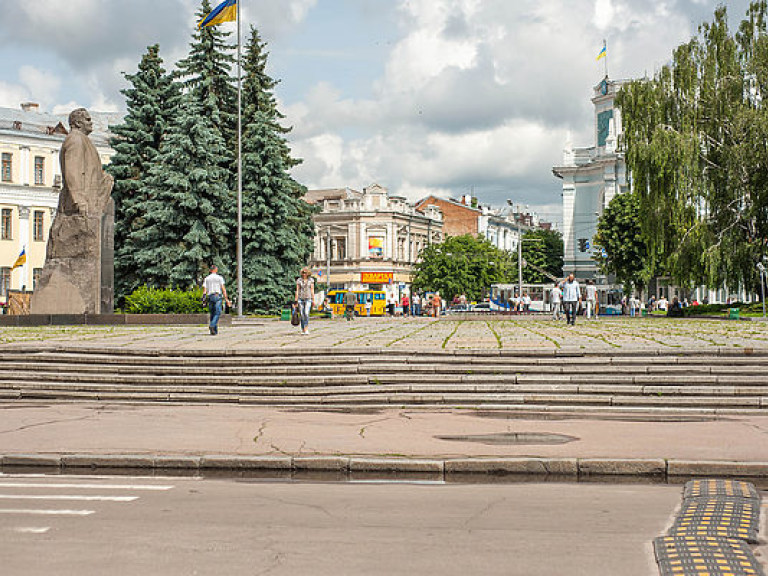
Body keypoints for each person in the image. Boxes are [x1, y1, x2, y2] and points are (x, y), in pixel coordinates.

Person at [202, 264, 231, 335]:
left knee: (212, 313)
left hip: (210, 296)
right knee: (218, 312)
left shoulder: (207, 278)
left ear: (210, 270)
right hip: (217, 296)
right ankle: (212, 325)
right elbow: (223, 289)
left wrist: (203, 299)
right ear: (216, 270)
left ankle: (214, 331)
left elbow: (204, 290)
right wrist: (226, 299)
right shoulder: (219, 278)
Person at [295, 267, 315, 334]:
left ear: (308, 273)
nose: (304, 274)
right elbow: (297, 290)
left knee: (306, 313)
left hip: (308, 298)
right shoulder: (299, 280)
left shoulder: (311, 280)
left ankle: (306, 328)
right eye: (303, 273)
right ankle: (303, 329)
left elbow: (312, 290)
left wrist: (313, 299)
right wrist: (296, 300)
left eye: (305, 273)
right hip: (300, 298)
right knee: (302, 314)